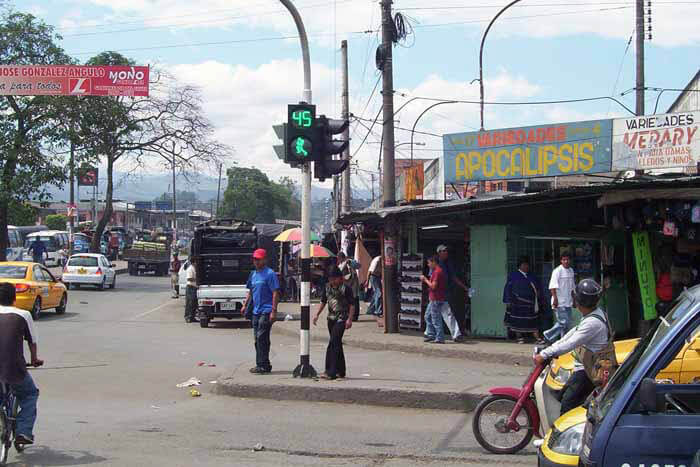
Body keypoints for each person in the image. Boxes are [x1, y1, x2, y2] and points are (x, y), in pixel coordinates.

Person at [535, 279, 612, 415]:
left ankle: (565, 434)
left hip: (588, 371)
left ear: (580, 301)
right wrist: (551, 348)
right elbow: (572, 333)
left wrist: (545, 354)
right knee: (562, 395)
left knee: (567, 405)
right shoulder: (594, 314)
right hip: (586, 367)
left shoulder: (592, 323)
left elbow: (571, 343)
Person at [0, 282, 43, 446]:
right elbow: (32, 341)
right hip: (14, 368)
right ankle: (23, 431)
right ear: (14, 298)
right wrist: (34, 360)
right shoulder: (23, 315)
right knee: (30, 394)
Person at [243, 249, 280, 375]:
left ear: (264, 260)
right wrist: (245, 304)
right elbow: (251, 291)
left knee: (261, 337)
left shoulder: (270, 274)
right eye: (255, 259)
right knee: (257, 338)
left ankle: (262, 364)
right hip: (256, 311)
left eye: (258, 259)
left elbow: (275, 292)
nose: (256, 262)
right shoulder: (253, 274)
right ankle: (264, 363)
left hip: (267, 310)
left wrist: (274, 311)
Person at [313, 266, 354, 380]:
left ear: (340, 278)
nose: (333, 281)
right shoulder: (327, 288)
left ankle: (330, 371)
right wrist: (317, 314)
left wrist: (350, 319)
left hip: (342, 318)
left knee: (332, 343)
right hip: (330, 319)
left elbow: (352, 305)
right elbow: (323, 301)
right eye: (331, 279)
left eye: (335, 279)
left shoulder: (345, 289)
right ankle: (341, 371)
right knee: (337, 344)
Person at [503, 256, 545, 344]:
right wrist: (507, 300)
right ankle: (519, 337)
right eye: (524, 265)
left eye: (527, 265)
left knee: (533, 321)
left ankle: (537, 338)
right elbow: (507, 288)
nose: (526, 267)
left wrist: (539, 297)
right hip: (517, 304)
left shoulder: (532, 276)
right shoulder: (513, 276)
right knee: (518, 322)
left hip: (531, 304)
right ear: (520, 266)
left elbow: (538, 288)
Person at [544, 252, 576, 343]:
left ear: (570, 260)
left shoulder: (571, 271)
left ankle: (564, 342)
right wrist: (555, 299)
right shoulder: (557, 271)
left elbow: (572, 287)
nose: (566, 261)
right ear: (561, 261)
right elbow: (552, 286)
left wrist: (574, 300)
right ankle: (548, 335)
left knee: (568, 324)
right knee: (563, 322)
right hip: (559, 302)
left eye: (567, 259)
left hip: (568, 302)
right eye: (564, 259)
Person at [436, 245, 466, 342]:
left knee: (447, 313)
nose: (446, 252)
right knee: (429, 315)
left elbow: (453, 277)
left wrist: (465, 287)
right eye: (444, 251)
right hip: (436, 292)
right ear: (439, 252)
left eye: (446, 250)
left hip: (445, 292)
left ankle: (456, 335)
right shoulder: (436, 264)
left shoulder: (448, 263)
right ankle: (430, 333)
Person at [421, 255, 449, 344]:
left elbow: (433, 286)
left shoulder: (437, 272)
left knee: (435, 318)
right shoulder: (437, 271)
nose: (428, 265)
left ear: (434, 262)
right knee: (427, 316)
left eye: (429, 263)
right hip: (435, 297)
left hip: (436, 298)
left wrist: (425, 280)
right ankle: (431, 334)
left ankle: (440, 337)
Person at [337, 252, 360, 321]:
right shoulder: (340, 264)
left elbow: (359, 266)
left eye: (339, 258)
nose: (338, 260)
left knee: (354, 299)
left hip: (353, 284)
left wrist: (349, 262)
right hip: (345, 284)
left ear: (341, 258)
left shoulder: (350, 261)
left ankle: (355, 316)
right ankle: (348, 315)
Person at [366, 255, 383, 326]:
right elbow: (369, 271)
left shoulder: (381, 260)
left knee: (376, 294)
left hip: (378, 277)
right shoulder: (377, 260)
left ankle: (370, 310)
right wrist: (367, 281)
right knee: (378, 293)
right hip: (374, 277)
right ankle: (377, 311)